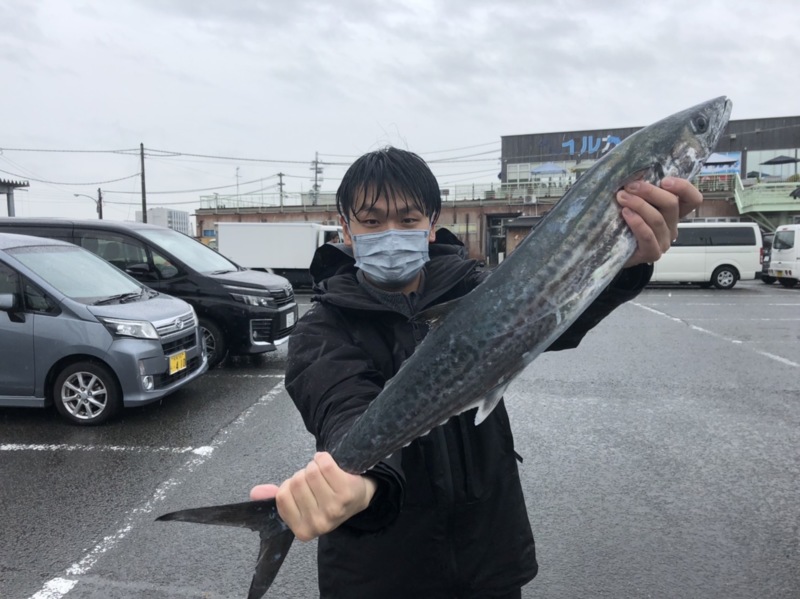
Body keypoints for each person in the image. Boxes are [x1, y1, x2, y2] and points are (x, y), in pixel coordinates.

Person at [251, 147, 702, 598]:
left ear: (431, 223)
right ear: (346, 228)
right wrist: (364, 483)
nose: (391, 232)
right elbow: (344, 410)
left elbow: (554, 320)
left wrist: (625, 264)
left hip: (489, 561)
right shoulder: (322, 328)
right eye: (371, 221)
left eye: (407, 220)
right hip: (378, 576)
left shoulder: (477, 291)